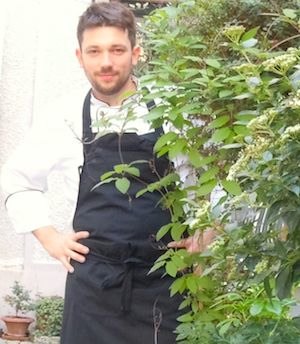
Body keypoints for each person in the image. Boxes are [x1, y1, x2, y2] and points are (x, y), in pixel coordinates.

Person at [1, 2, 208, 343]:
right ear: (79, 56)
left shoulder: (174, 110)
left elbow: (219, 176)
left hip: (165, 282)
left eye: (117, 49)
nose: (106, 62)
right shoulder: (63, 116)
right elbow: (17, 179)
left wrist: (209, 232)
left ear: (135, 53)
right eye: (94, 51)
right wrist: (50, 239)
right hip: (93, 287)